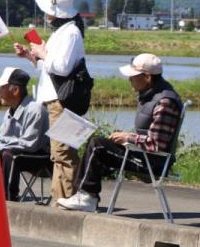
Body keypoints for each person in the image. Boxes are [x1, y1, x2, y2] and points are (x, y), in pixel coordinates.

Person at [59, 54, 183, 213]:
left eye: (133, 76)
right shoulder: (151, 95)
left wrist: (128, 137)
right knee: (98, 144)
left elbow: (156, 144)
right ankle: (86, 196)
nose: (129, 80)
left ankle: (87, 197)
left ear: (147, 77)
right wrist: (127, 139)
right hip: (144, 156)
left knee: (98, 146)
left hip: (151, 163)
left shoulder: (164, 102)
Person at [13, 0, 86, 206]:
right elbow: (52, 68)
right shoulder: (63, 32)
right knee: (59, 152)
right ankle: (60, 199)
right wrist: (31, 56)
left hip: (63, 101)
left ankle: (63, 200)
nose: (45, 14)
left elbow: (61, 67)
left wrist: (43, 53)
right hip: (58, 99)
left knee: (63, 152)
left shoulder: (70, 33)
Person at [0, 66, 50, 201]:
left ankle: (8, 198)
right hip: (20, 152)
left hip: (41, 157)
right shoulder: (9, 112)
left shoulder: (35, 109)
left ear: (15, 90)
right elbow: (3, 138)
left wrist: (0, 142)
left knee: (9, 154)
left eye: (2, 88)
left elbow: (30, 144)